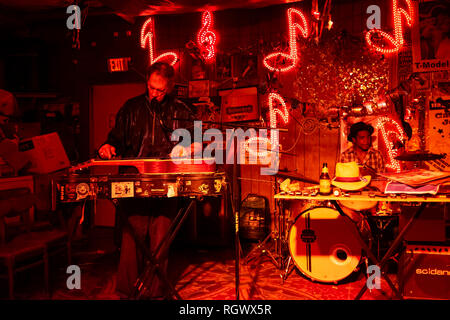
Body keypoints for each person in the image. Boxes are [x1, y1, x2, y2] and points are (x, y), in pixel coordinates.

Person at [98, 62, 200, 299]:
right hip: (135, 181)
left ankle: (155, 293)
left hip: (167, 181)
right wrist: (108, 146)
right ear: (147, 81)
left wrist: (194, 146)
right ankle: (126, 291)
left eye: (160, 90)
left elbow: (195, 140)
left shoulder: (182, 111)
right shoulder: (131, 108)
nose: (154, 93)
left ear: (170, 87)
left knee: (160, 239)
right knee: (131, 237)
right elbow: (116, 139)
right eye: (151, 88)